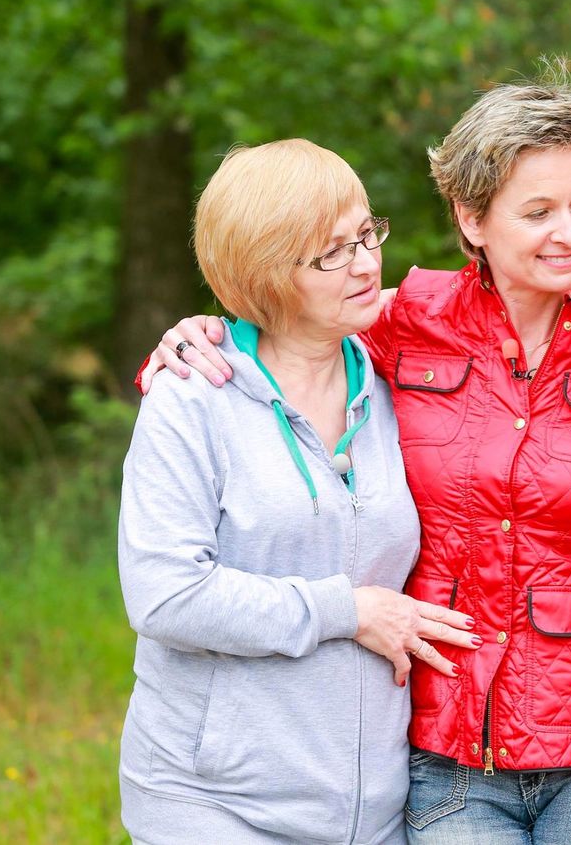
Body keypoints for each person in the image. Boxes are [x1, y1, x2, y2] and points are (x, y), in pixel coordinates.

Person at [136, 67, 571, 843]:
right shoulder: (405, 323)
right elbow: (284, 317)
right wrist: (195, 334)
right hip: (445, 747)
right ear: (472, 217)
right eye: (539, 210)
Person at [117, 139, 479, 844]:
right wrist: (346, 610)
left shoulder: (398, 374)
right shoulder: (194, 396)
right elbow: (165, 593)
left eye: (367, 234)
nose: (368, 263)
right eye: (331, 253)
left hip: (372, 810)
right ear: (266, 274)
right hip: (213, 802)